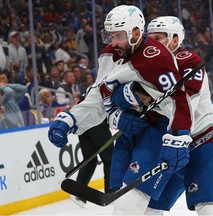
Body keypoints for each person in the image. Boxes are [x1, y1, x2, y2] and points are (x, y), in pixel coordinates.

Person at [48, 5, 193, 215]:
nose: (113, 42)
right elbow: (98, 94)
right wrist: (71, 119)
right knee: (135, 204)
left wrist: (178, 135)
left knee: (130, 204)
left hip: (157, 129)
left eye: (118, 35)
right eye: (110, 35)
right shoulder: (110, 54)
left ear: (136, 32)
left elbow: (178, 98)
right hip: (130, 131)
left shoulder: (157, 59)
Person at [109, 16, 213, 215]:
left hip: (203, 140)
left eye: (159, 38)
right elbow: (117, 95)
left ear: (175, 40)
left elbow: (183, 103)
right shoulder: (143, 64)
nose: (153, 43)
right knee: (145, 207)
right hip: (164, 142)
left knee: (210, 209)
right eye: (151, 38)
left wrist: (137, 95)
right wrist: (128, 98)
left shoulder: (190, 61)